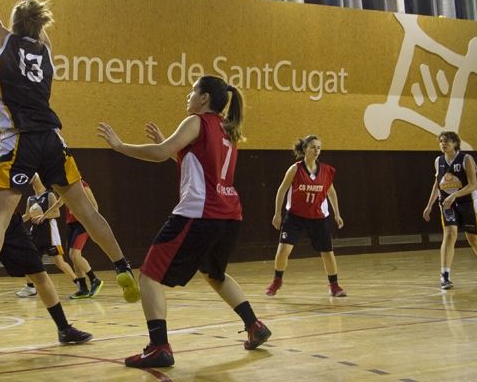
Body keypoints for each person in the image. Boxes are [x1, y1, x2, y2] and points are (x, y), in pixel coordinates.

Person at [0, 0, 139, 336]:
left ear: (14, 25)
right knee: (88, 213)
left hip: (19, 141)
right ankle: (123, 266)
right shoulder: (45, 49)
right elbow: (34, 26)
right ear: (39, 25)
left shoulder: (6, 42)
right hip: (53, 140)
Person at [97, 76, 271, 368]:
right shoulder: (227, 129)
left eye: (193, 90)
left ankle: (159, 347)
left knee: (149, 275)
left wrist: (120, 145)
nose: (188, 95)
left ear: (204, 99)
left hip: (200, 213)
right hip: (229, 215)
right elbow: (200, 166)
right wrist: (172, 145)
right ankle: (254, 325)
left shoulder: (196, 122)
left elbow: (160, 153)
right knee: (214, 275)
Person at [0, 81, 93, 359]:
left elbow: (45, 178)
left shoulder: (22, 151)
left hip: (9, 224)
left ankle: (64, 329)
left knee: (40, 274)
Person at [266, 135, 346, 298]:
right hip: (295, 216)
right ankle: (277, 280)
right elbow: (281, 190)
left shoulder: (326, 171)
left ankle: (334, 285)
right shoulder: (295, 169)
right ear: (304, 149)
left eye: (319, 148)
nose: (316, 150)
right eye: (313, 147)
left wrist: (337, 214)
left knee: (327, 252)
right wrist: (277, 213)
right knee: (283, 250)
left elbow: (331, 192)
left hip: (318, 217)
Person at [422, 131, 477, 289]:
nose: (443, 144)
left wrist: (455, 195)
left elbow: (473, 185)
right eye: (441, 141)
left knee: (473, 238)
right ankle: (445, 275)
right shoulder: (438, 161)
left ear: (455, 143)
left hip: (468, 202)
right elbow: (437, 184)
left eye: (446, 141)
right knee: (449, 234)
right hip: (447, 203)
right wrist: (430, 205)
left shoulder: (466, 159)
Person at [16, 174, 80, 298]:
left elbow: (56, 213)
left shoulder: (49, 195)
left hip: (50, 233)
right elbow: (27, 216)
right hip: (35, 233)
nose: (32, 178)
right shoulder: (30, 199)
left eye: (34, 176)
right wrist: (15, 221)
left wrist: (43, 216)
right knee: (29, 260)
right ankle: (30, 287)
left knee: (59, 262)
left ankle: (78, 283)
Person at [64, 181, 104, 299]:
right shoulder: (65, 187)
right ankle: (83, 288)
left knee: (75, 255)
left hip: (83, 222)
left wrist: (92, 222)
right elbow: (60, 202)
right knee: (72, 256)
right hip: (71, 224)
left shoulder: (82, 184)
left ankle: (94, 280)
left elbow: (95, 205)